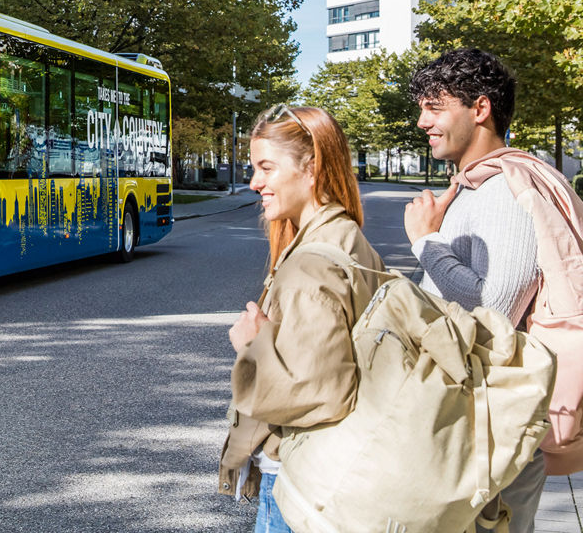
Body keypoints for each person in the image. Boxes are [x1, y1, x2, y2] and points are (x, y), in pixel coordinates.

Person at [218, 104, 384, 532]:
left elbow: (323, 396)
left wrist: (253, 346)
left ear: (311, 168)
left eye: (266, 168)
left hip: (297, 481)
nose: (255, 182)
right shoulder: (345, 236)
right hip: (325, 477)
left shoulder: (312, 264)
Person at [404, 47, 544, 533]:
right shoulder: (474, 186)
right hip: (472, 417)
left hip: (492, 424)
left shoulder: (506, 189)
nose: (422, 121)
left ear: (479, 109)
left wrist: (426, 242)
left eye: (434, 107)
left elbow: (495, 307)